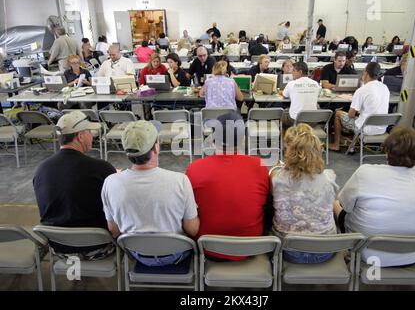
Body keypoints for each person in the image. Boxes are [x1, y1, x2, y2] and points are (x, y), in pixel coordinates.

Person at [334, 127, 415, 267]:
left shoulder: (365, 171)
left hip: (367, 251)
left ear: (387, 151)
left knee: (335, 204)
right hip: (414, 253)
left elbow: (345, 205)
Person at [102, 120, 199, 267]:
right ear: (156, 147)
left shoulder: (110, 182)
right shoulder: (180, 181)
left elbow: (114, 231)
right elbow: (192, 230)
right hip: (176, 254)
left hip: (136, 254)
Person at [186, 112, 270, 260]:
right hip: (250, 247)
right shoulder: (260, 166)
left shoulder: (194, 168)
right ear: (243, 139)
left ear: (212, 139)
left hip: (207, 248)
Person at [34, 111, 116, 257]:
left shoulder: (41, 169)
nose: (92, 136)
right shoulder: (102, 168)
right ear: (80, 136)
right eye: (90, 132)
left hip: (58, 247)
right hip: (97, 246)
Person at [271, 123, 338, 263]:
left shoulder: (277, 178)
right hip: (324, 249)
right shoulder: (329, 178)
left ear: (289, 151)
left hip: (288, 249)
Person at [329, 62, 390, 152]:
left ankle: (336, 145)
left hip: (365, 129)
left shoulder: (362, 90)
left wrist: (357, 113)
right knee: (360, 117)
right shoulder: (385, 88)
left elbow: (350, 115)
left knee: (338, 113)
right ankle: (351, 146)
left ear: (365, 73)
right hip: (382, 128)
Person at [281, 61, 321, 128]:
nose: (292, 72)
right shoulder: (316, 84)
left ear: (300, 72)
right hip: (313, 121)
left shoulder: (291, 84)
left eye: (294, 70)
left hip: (295, 120)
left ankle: (288, 135)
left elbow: (284, 96)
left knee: (283, 114)